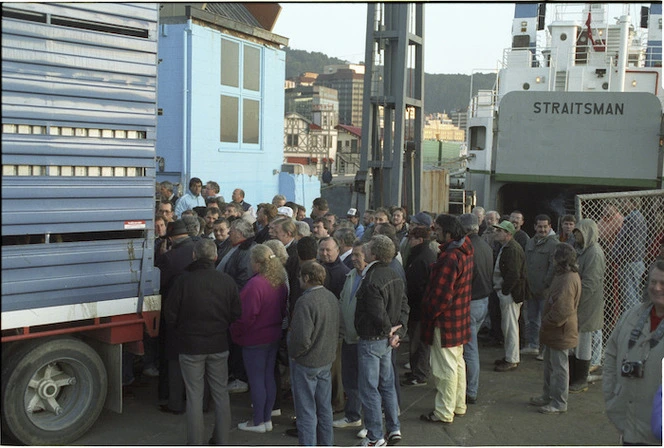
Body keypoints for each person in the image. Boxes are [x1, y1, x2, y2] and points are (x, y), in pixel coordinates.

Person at [163, 238, 241, 445]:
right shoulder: (226, 281)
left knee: (194, 397)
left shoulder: (183, 281)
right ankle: (222, 440)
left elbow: (170, 315)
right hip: (219, 344)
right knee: (221, 395)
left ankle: (195, 442)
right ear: (215, 257)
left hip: (190, 346)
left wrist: (183, 330)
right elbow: (236, 313)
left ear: (194, 256)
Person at [355, 235, 409, 446]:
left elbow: (376, 312)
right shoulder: (394, 274)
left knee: (369, 389)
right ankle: (394, 429)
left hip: (372, 339)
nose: (364, 249)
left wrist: (390, 331)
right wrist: (398, 332)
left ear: (374, 253)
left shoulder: (371, 279)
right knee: (386, 385)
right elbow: (404, 305)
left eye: (367, 247)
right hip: (386, 341)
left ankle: (375, 436)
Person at [419, 215, 473, 424]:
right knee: (457, 364)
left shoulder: (449, 257)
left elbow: (441, 296)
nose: (435, 232)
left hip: (445, 322)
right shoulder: (465, 251)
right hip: (459, 319)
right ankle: (458, 405)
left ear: (449, 233)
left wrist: (429, 312)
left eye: (438, 229)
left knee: (445, 370)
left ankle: (443, 411)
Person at [603, 260, 664, 445]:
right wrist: (611, 395)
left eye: (663, 283)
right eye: (653, 282)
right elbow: (611, 353)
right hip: (627, 423)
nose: (657, 288)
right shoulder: (632, 315)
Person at [230, 245, 288, 433]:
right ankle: (266, 419)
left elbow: (246, 316)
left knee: (256, 380)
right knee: (268, 377)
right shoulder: (278, 282)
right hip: (273, 336)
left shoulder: (255, 284)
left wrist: (235, 332)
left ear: (257, 262)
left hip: (255, 338)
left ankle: (258, 421)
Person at [288, 260, 339, 446]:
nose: (299, 280)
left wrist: (294, 353)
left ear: (307, 277)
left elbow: (301, 338)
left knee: (306, 412)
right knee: (324, 409)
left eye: (301, 276)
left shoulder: (305, 301)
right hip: (325, 360)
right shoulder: (331, 297)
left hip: (307, 363)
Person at [529, 243, 581, 414]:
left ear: (560, 259)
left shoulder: (567, 279)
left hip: (561, 330)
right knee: (551, 365)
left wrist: (547, 322)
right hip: (556, 330)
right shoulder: (564, 275)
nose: (552, 259)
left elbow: (562, 310)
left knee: (559, 367)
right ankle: (548, 396)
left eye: (555, 257)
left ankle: (559, 402)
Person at [155, 219, 196, 415]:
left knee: (172, 358)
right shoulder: (200, 250)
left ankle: (173, 400)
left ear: (170, 238)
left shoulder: (169, 258)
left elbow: (159, 285)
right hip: (198, 315)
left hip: (174, 315)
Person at [458, 213, 493, 404]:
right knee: (470, 348)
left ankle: (471, 390)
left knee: (470, 350)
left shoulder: (467, 248)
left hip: (471, 303)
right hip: (483, 301)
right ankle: (468, 386)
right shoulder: (486, 246)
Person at [334, 240, 368, 431]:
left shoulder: (371, 277)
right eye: (353, 255)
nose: (353, 258)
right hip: (348, 337)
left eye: (358, 255)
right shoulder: (351, 275)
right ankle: (352, 416)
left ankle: (370, 424)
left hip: (364, 340)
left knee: (368, 384)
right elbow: (342, 301)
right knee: (350, 380)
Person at [569, 219, 606, 393]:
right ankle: (573, 376)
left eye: (579, 232)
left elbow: (590, 283)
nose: (575, 235)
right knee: (574, 341)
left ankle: (581, 379)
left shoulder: (594, 253)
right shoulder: (581, 250)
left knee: (583, 341)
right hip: (578, 302)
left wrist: (576, 299)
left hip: (587, 304)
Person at [401, 226, 437, 387]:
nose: (409, 241)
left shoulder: (420, 257)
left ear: (420, 240)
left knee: (419, 342)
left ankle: (419, 375)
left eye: (411, 238)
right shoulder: (424, 254)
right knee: (418, 342)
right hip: (420, 307)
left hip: (418, 308)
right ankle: (417, 370)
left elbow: (415, 285)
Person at [492, 220, 528, 372]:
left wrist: (504, 291)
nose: (496, 233)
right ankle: (509, 356)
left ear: (508, 234)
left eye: (499, 231)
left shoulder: (512, 249)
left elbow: (514, 273)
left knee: (510, 327)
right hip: (509, 292)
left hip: (511, 294)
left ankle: (512, 359)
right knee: (508, 326)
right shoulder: (507, 247)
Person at [522, 214, 558, 357]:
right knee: (531, 319)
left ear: (550, 227)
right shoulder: (530, 242)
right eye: (539, 226)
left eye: (545, 226)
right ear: (535, 227)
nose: (542, 229)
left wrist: (546, 285)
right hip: (531, 290)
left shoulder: (554, 245)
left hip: (545, 291)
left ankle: (545, 349)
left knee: (545, 321)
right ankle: (533, 345)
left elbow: (553, 267)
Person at [611, 197, 648, 312]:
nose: (622, 204)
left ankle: (632, 323)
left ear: (633, 203)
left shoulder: (633, 219)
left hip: (630, 262)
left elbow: (632, 245)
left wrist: (617, 256)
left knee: (630, 298)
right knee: (633, 295)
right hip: (632, 261)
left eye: (624, 202)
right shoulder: (635, 218)